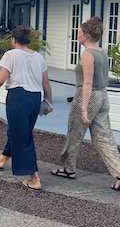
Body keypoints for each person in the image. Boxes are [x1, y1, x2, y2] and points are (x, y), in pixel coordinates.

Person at [51, 16, 120, 192]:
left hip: (88, 96)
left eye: (80, 32)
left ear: (87, 35)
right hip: (103, 96)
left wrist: (83, 108)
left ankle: (69, 169)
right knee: (104, 137)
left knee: (74, 134)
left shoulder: (87, 54)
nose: (77, 35)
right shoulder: (102, 52)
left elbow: (87, 83)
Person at [0, 25, 53, 192]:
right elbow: (46, 83)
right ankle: (2, 158)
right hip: (35, 98)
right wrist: (49, 102)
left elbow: (1, 79)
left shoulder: (11, 55)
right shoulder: (38, 57)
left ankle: (34, 178)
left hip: (18, 97)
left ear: (13, 39)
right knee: (20, 131)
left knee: (23, 136)